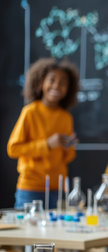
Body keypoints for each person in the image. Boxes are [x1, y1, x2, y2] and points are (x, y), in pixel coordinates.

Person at [7, 58, 79, 209]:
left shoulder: (66, 117)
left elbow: (68, 157)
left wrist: (69, 146)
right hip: (30, 187)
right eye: (52, 80)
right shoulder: (30, 112)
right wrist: (47, 144)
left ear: (69, 89)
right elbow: (13, 149)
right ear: (40, 83)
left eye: (63, 83)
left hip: (56, 189)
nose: (57, 86)